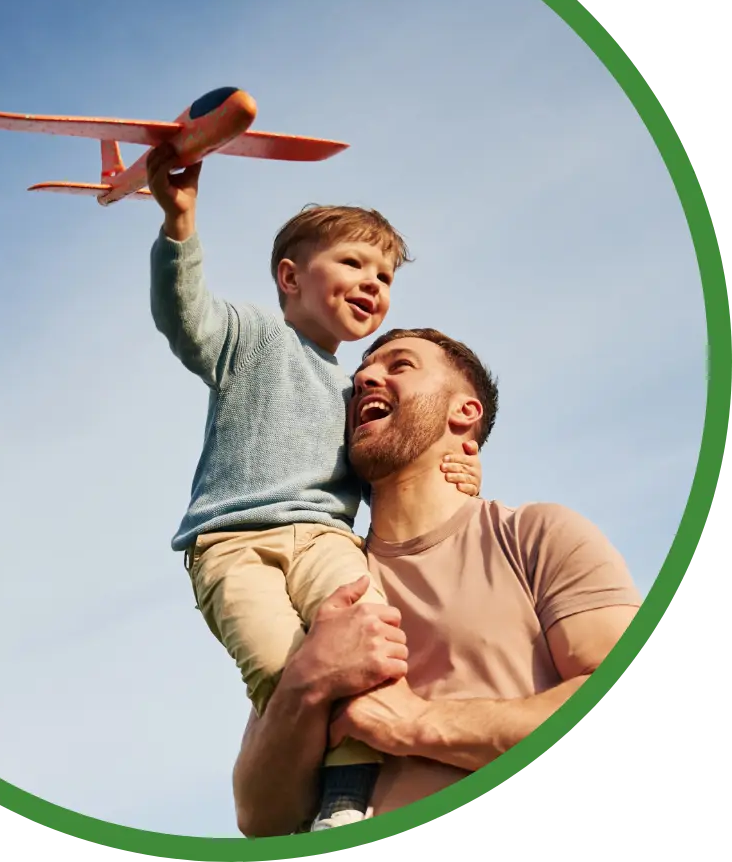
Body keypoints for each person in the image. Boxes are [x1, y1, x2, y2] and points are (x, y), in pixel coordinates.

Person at [145, 145, 483, 831]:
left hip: (328, 540)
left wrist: (463, 463)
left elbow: (392, 466)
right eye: (355, 263)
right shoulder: (251, 335)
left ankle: (346, 800)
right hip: (233, 546)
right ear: (291, 277)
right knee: (285, 669)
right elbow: (184, 318)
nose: (373, 282)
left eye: (384, 275)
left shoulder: (361, 388)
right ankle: (296, 797)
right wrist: (179, 225)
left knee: (375, 649)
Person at [231, 327, 643, 837]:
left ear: (464, 413)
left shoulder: (535, 535)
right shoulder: (317, 575)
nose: (364, 377)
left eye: (399, 365)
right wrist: (307, 681)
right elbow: (258, 816)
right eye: (362, 372)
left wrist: (412, 724)